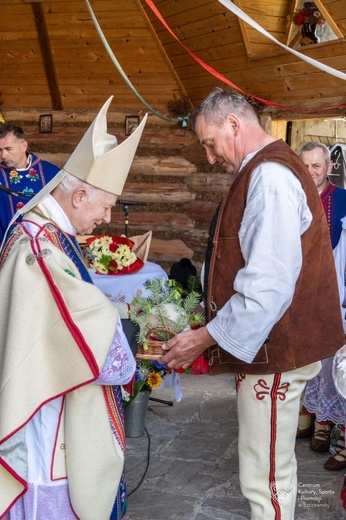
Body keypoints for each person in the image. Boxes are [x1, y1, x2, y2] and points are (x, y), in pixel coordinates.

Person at [159, 88, 345, 520]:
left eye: (209, 143)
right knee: (263, 471)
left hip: (278, 351)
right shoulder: (262, 171)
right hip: (269, 349)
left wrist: (205, 338)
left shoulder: (271, 177)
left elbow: (268, 284)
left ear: (234, 124)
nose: (210, 157)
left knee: (267, 478)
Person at [0, 97, 147, 520]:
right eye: (104, 207)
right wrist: (116, 328)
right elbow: (76, 322)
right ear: (79, 195)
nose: (106, 218)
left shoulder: (44, 228)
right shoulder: (38, 244)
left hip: (50, 386)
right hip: (45, 400)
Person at [298, 142, 346, 470]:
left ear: (329, 167)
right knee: (302, 355)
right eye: (305, 166)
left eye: (317, 166)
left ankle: (329, 427)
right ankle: (307, 419)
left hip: (334, 287)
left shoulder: (343, 200)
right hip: (298, 289)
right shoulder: (290, 196)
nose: (311, 172)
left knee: (331, 360)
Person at [0, 123, 60, 244]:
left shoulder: (51, 173)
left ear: (24, 146)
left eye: (8, 149)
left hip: (45, 246)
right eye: (0, 150)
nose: (3, 155)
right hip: (7, 249)